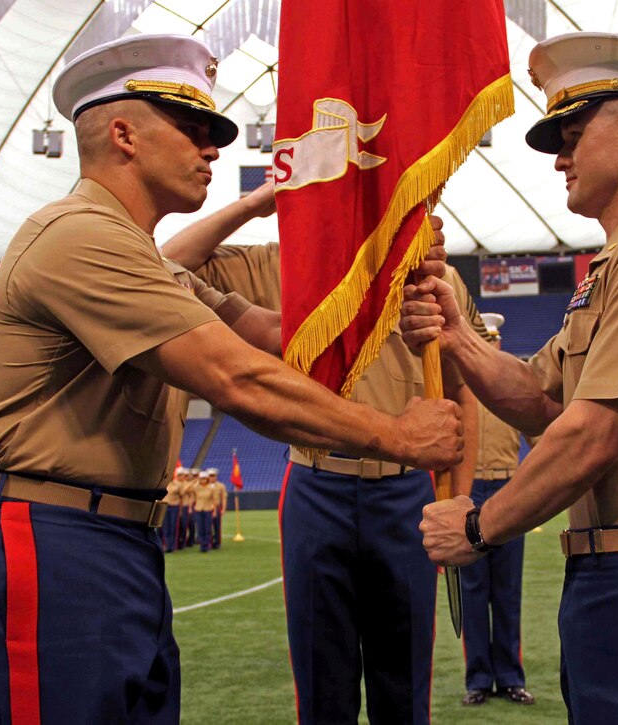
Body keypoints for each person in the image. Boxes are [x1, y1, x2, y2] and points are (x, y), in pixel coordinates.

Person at [0, 33, 462, 724]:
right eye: (191, 129)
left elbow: (277, 341)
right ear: (122, 134)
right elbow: (236, 376)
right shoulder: (80, 236)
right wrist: (395, 434)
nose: (211, 148)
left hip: (113, 537)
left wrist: (390, 275)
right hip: (50, 536)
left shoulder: (144, 261)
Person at [401, 31, 618, 722]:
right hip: (616, 573)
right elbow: (542, 400)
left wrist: (477, 526)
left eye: (571, 131)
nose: (558, 156)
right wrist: (460, 340)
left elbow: (591, 434)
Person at [163, 179, 484, 725]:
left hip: (406, 489)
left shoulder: (435, 277)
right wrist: (258, 202)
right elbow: (164, 262)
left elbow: (462, 395)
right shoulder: (285, 264)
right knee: (320, 681)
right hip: (316, 482)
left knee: (404, 682)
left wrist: (464, 498)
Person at [458, 313, 534, 707]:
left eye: (493, 341)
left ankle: (509, 677)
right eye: (483, 341)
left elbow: (539, 433)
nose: (491, 348)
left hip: (508, 487)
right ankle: (478, 679)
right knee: (473, 591)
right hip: (471, 492)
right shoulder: (462, 387)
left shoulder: (513, 386)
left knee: (506, 590)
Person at [161, 468, 185, 552]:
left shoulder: (177, 485)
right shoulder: (163, 484)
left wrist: (181, 509)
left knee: (173, 526)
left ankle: (173, 545)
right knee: (165, 527)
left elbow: (182, 497)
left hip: (174, 506)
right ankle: (166, 545)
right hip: (164, 506)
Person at [192, 471, 215, 553]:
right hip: (198, 509)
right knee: (200, 528)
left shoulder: (211, 488)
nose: (203, 480)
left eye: (204, 478)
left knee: (207, 528)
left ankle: (207, 545)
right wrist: (195, 481)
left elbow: (214, 500)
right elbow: (186, 490)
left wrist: (214, 510)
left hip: (207, 509)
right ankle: (202, 545)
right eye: (201, 478)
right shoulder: (197, 488)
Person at [207, 468, 226, 549]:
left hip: (217, 507)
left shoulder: (220, 486)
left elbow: (223, 498)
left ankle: (217, 543)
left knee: (217, 526)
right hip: (206, 508)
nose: (212, 477)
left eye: (213, 476)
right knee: (208, 526)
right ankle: (209, 543)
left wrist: (223, 509)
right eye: (210, 476)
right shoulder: (205, 485)